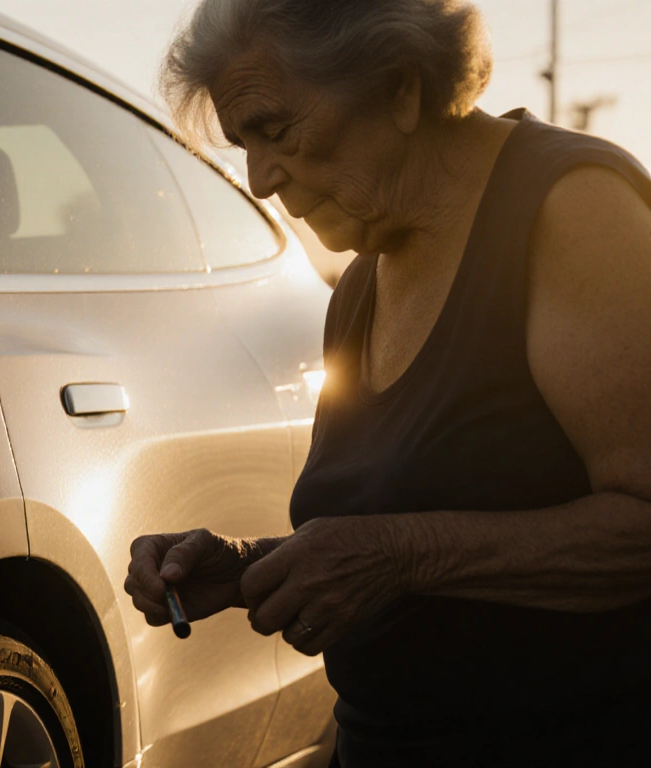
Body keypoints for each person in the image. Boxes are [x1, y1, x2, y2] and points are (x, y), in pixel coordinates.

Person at [121, 0, 651, 764]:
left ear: (399, 87)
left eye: (274, 130)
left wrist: (402, 553)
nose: (261, 180)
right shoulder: (361, 284)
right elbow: (402, 524)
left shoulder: (571, 207)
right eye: (243, 145)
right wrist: (244, 568)